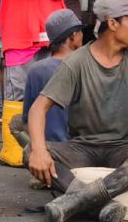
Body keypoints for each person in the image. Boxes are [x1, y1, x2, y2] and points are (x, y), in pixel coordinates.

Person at [25, 0, 128, 222]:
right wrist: (38, 149)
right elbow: (38, 108)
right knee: (30, 151)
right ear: (112, 23)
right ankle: (100, 205)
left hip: (123, 145)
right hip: (83, 146)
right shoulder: (76, 62)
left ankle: (76, 201)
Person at [19, 9, 84, 145]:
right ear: (73, 36)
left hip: (43, 147)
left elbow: (27, 119)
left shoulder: (36, 69)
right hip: (77, 149)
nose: (82, 35)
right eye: (80, 31)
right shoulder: (83, 67)